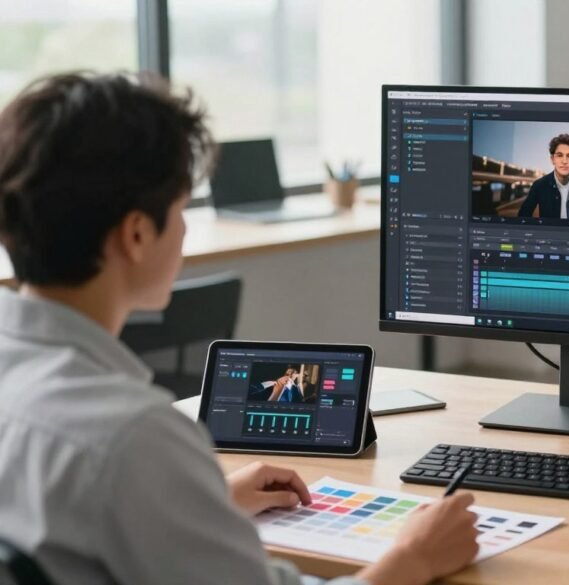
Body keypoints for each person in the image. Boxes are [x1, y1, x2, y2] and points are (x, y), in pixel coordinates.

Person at [0, 72, 479, 585]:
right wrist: (414, 558)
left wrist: (196, 506)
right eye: (182, 208)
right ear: (137, 233)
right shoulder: (134, 440)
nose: (184, 229)